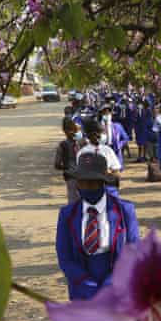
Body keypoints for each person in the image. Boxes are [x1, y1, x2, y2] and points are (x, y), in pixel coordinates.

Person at [57, 153, 139, 301]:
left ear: (103, 183)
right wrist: (88, 286)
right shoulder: (67, 214)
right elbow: (64, 256)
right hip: (81, 287)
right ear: (77, 183)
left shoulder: (124, 210)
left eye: (93, 182)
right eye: (82, 182)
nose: (87, 187)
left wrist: (109, 285)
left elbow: (132, 250)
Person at [55, 117, 85, 204]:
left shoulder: (62, 145)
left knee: (72, 198)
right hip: (85, 174)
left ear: (64, 131)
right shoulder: (83, 142)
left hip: (70, 175)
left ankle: (74, 215)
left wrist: (66, 167)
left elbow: (57, 164)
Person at [99, 104, 130, 170]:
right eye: (105, 113)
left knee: (115, 173)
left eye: (108, 113)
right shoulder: (98, 128)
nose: (107, 115)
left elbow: (126, 138)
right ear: (101, 115)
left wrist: (120, 144)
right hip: (103, 152)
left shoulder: (117, 126)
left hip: (114, 150)